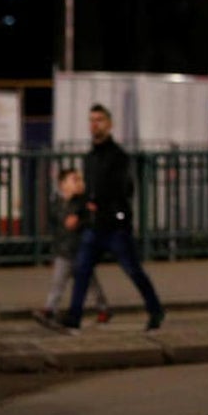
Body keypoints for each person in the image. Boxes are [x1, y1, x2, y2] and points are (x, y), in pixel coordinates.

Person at [61, 103, 165, 331]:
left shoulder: (119, 156)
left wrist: (103, 203)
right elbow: (88, 190)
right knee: (82, 269)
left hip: (115, 226)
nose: (94, 125)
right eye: (91, 120)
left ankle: (155, 309)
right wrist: (80, 212)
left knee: (133, 270)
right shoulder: (89, 158)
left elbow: (125, 188)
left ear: (109, 124)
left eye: (99, 120)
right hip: (94, 225)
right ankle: (74, 316)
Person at [33, 168, 110, 327]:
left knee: (90, 283)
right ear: (63, 185)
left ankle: (103, 308)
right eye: (75, 180)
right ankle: (50, 309)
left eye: (81, 180)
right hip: (64, 251)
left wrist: (81, 221)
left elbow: (92, 222)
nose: (80, 183)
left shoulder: (85, 203)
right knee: (58, 282)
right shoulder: (57, 204)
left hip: (82, 250)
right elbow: (56, 227)